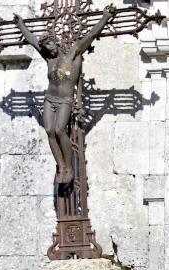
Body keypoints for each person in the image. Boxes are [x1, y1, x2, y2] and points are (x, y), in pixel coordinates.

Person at [13, 5, 117, 184]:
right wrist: (21, 26)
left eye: (49, 45)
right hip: (49, 98)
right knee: (49, 131)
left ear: (56, 42)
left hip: (65, 100)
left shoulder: (74, 54)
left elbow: (91, 34)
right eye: (45, 47)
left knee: (60, 130)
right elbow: (32, 41)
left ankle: (69, 167)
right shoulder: (49, 58)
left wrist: (105, 17)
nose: (48, 49)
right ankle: (61, 166)